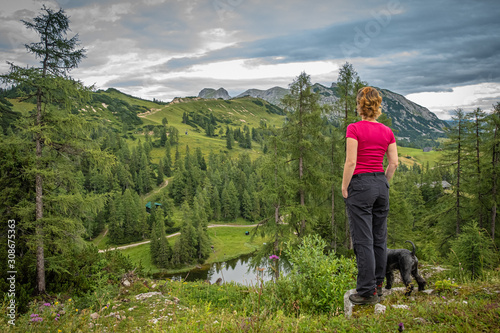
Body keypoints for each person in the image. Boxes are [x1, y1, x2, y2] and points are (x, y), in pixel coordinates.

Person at [342, 86, 398, 305]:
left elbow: (351, 162)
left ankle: (366, 292)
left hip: (360, 184)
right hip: (380, 184)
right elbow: (393, 163)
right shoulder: (387, 132)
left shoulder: (354, 128)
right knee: (379, 238)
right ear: (377, 107)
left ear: (360, 106)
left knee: (363, 240)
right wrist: (383, 181)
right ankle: (377, 286)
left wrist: (345, 185)